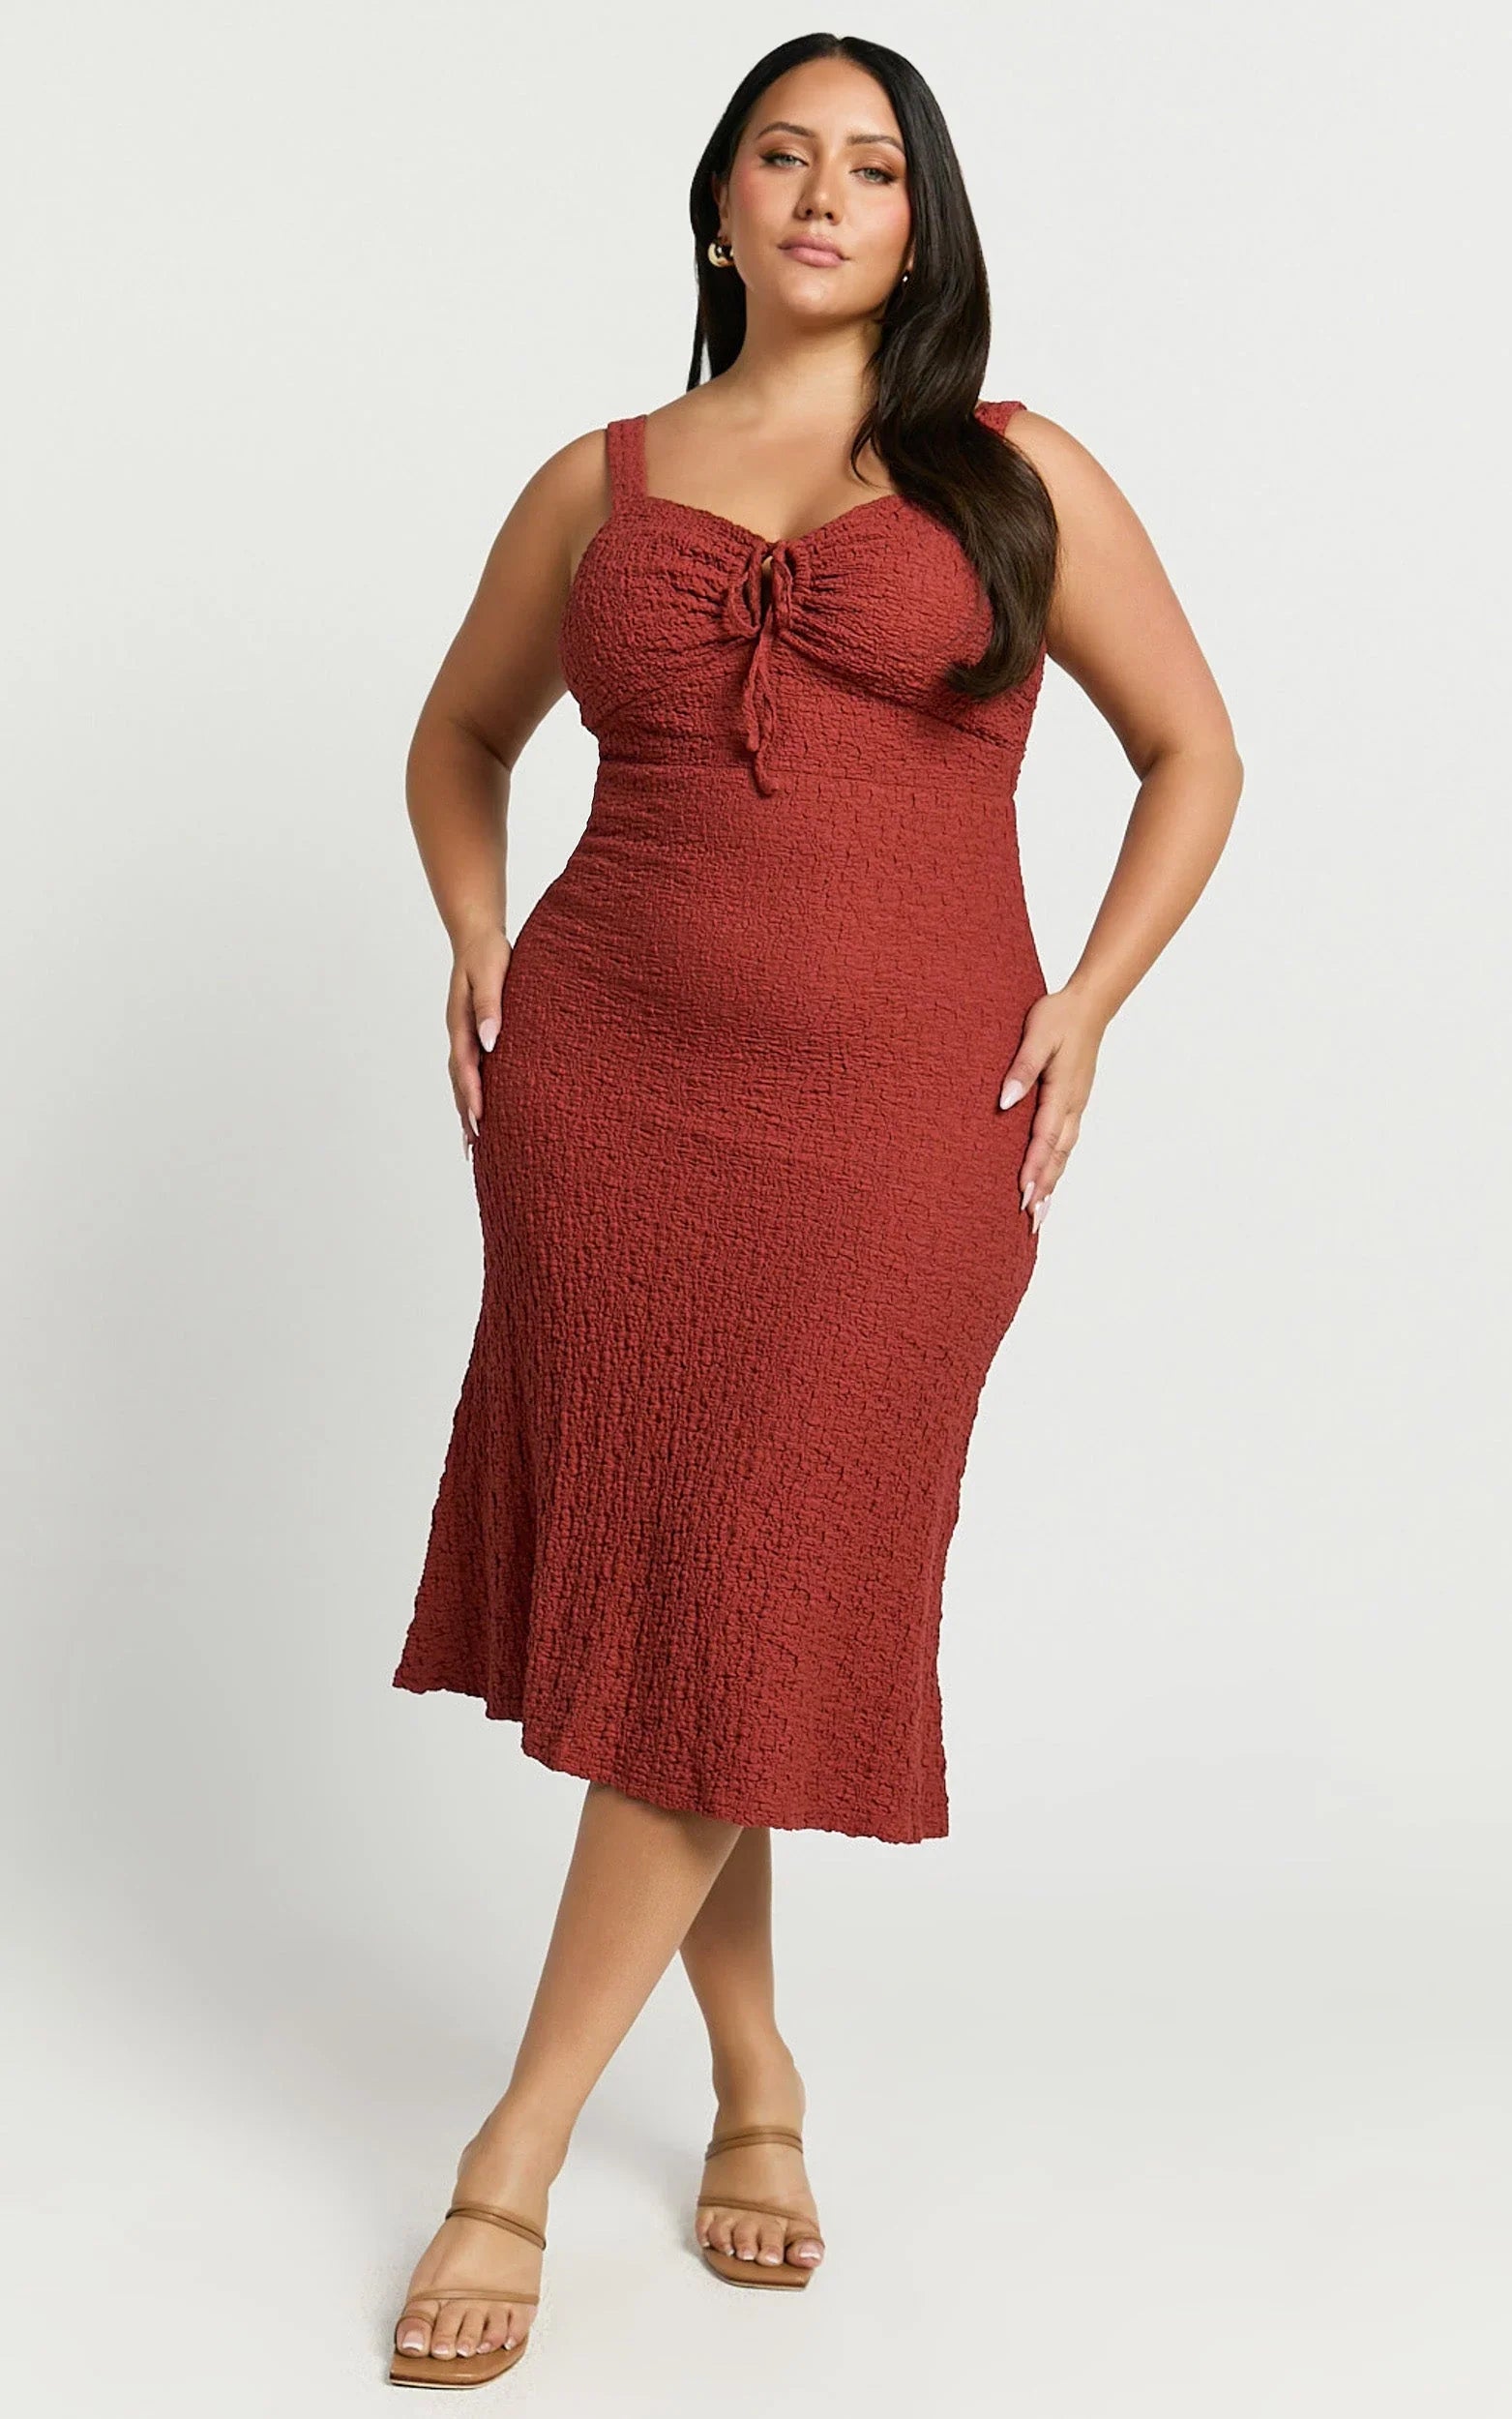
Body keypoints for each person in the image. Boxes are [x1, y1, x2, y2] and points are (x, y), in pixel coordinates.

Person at [386, 31, 1242, 2388]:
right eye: (781, 153)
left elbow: (1192, 750)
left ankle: (512, 2148)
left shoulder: (1012, 470)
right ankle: (753, 2077)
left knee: (749, 1567)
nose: (821, 191)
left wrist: (1087, 999)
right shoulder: (594, 481)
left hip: (899, 1127)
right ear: (718, 202)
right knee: (697, 1592)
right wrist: (472, 926)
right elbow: (458, 735)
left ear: (918, 219)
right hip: (600, 1098)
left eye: (870, 164)